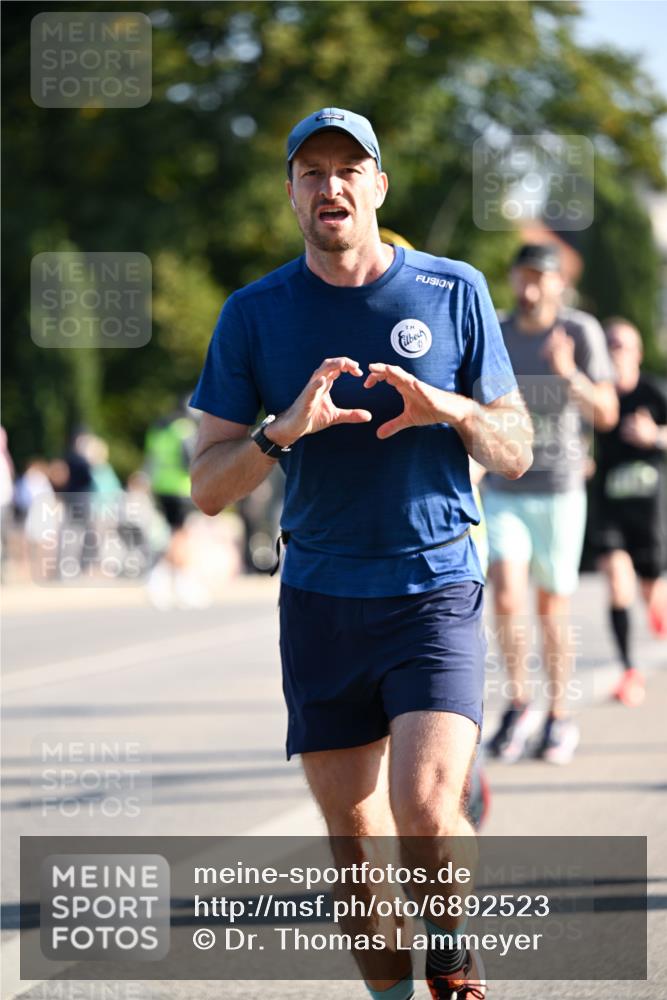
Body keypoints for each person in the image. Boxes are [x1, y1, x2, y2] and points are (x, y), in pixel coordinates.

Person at [190, 107, 532, 1000]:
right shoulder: (253, 314)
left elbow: (515, 448)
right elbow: (206, 487)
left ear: (378, 186)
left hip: (434, 584)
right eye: (312, 171)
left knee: (422, 812)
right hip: (320, 596)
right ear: (293, 193)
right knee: (354, 839)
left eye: (349, 169)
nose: (330, 185)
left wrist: (448, 408)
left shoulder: (453, 290)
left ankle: (452, 960)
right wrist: (281, 432)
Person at [483, 243, 618, 765]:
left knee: (551, 607)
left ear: (560, 282)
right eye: (523, 276)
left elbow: (606, 412)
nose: (531, 287)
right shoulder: (496, 328)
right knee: (507, 595)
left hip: (560, 488)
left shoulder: (579, 332)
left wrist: (569, 374)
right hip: (505, 486)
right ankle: (519, 704)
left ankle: (559, 714)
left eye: (541, 277)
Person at [593, 318, 667, 705]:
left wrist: (653, 435)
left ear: (637, 353)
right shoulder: (599, 398)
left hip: (650, 509)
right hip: (610, 509)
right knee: (618, 583)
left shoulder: (654, 392)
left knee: (650, 586)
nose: (615, 351)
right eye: (609, 344)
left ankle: (658, 601)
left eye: (622, 345)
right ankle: (628, 670)